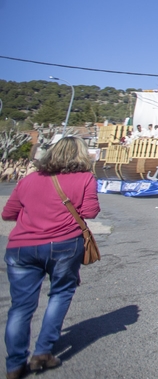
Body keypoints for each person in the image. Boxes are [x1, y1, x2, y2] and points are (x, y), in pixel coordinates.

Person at [2, 136, 99, 378]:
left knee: (20, 307)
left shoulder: (28, 180)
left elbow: (8, 213)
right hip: (64, 244)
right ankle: (42, 352)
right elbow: (89, 212)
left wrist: (35, 216)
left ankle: (14, 365)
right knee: (60, 292)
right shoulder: (85, 178)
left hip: (22, 247)